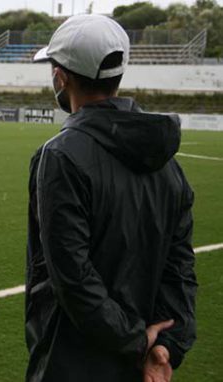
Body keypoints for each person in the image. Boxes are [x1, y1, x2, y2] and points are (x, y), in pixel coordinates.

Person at [25, 14, 196, 382]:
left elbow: (71, 276)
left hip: (72, 360)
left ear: (61, 76)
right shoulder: (170, 165)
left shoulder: (59, 157)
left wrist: (135, 341)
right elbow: (180, 268)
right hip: (145, 361)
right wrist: (167, 345)